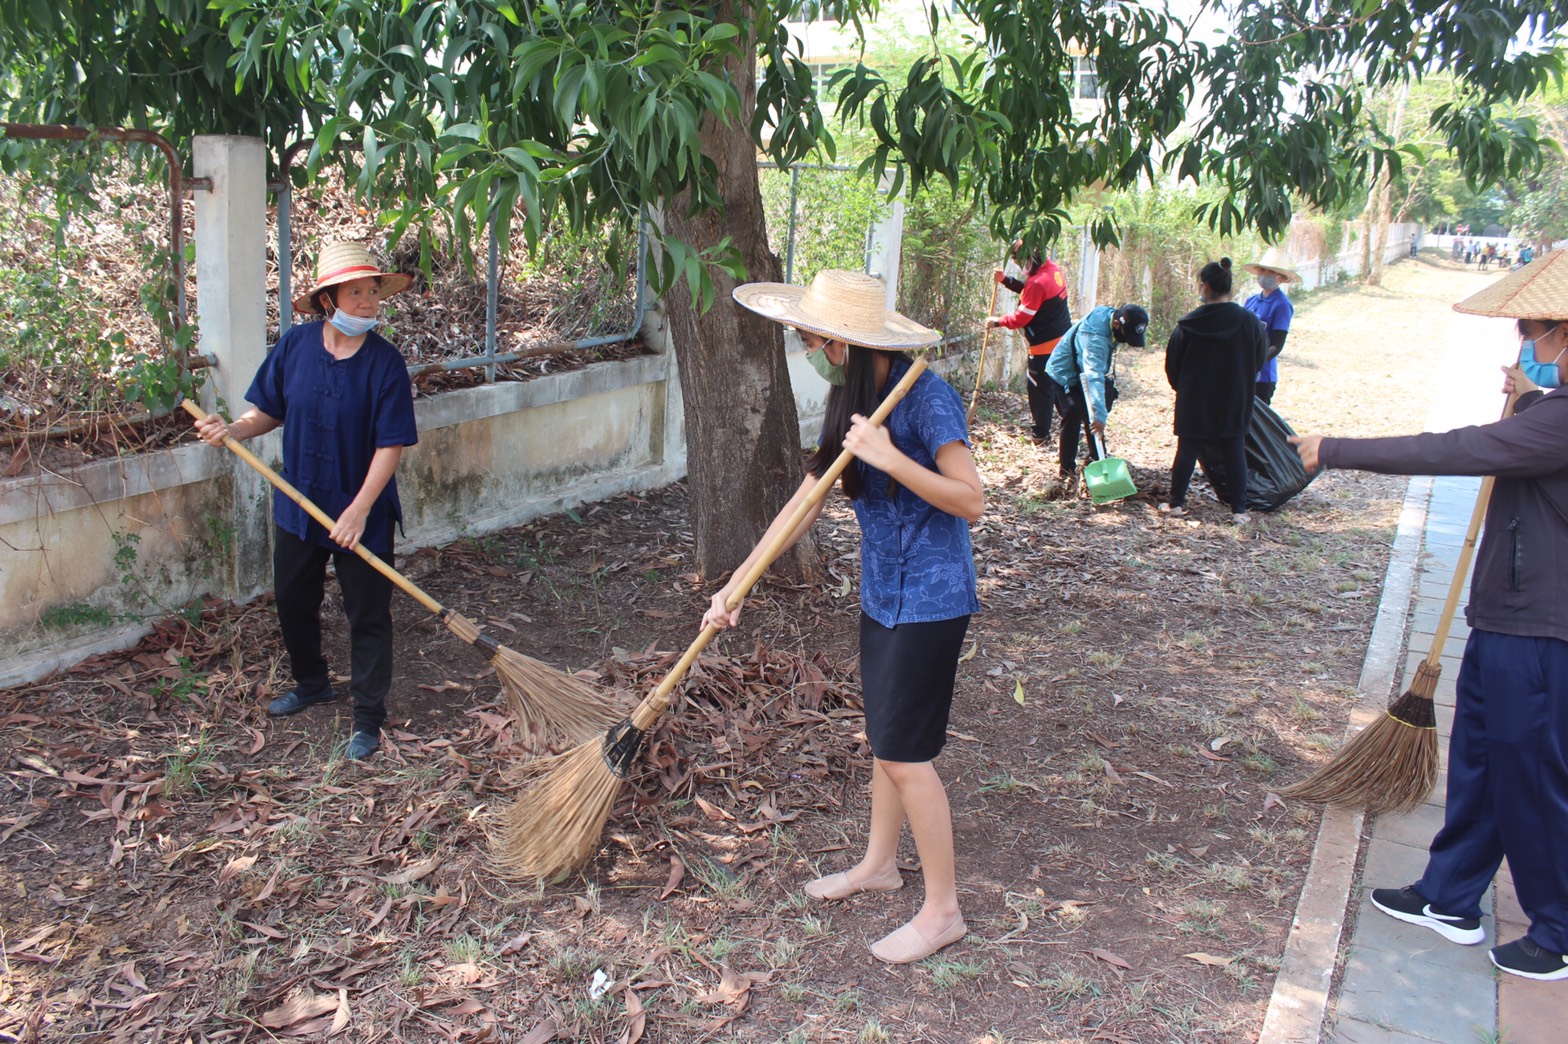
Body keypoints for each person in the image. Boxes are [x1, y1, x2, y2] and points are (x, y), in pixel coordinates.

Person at [1289, 256, 1568, 982]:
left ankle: (1559, 925)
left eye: (1531, 332)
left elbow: (1460, 449)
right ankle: (1449, 896)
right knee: (1482, 763)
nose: (1522, 345)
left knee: (1531, 775)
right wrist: (1536, 393)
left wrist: (1338, 448)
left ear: (1564, 333)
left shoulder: (1559, 423)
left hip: (1544, 631)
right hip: (1506, 617)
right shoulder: (1551, 409)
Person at [721, 269, 984, 965]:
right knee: (885, 741)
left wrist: (891, 459)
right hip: (882, 594)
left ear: (843, 342)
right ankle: (877, 865)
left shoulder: (927, 400)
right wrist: (738, 584)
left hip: (931, 601)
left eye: (811, 338)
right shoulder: (854, 398)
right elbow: (805, 500)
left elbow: (970, 500)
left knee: (905, 753)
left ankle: (943, 911)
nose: (808, 349)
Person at [193, 241, 418, 762]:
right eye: (355, 292)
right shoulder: (294, 347)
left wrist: (360, 510)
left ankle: (367, 717)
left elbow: (391, 446)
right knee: (294, 600)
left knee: (367, 612)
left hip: (361, 510)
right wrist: (232, 429)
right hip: (300, 501)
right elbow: (267, 412)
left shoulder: (385, 364)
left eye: (373, 292)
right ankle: (312, 682)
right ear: (327, 301)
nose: (368, 303)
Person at [1160, 259, 1268, 523]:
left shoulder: (1188, 324)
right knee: (1234, 448)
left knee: (1187, 448)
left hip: (1195, 398)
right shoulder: (1249, 321)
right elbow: (1259, 357)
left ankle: (1176, 504)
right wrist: (1242, 382)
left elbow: (1172, 364)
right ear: (1229, 287)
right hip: (1235, 397)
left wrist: (1183, 389)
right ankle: (1239, 511)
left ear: (1205, 286)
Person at [1044, 301, 1150, 486]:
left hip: (1082, 370)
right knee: (1074, 412)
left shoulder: (1110, 317)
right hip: (1064, 373)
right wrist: (1100, 415)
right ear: (1117, 324)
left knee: (1090, 412)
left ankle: (1097, 459)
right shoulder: (1095, 339)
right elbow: (1093, 376)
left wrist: (1098, 411)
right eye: (1127, 334)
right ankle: (1066, 470)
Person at [985, 242, 1072, 442]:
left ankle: (1040, 435)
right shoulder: (1052, 270)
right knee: (1059, 386)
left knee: (1040, 390)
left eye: (1018, 261)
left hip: (1044, 345)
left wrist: (997, 321)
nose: (1018, 266)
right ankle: (1073, 425)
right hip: (1062, 341)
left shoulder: (1038, 282)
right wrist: (1007, 281)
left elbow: (1021, 317)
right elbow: (1032, 294)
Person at [1241, 247, 1299, 405]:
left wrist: (1256, 364)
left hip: (1263, 376)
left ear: (1281, 278)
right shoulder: (1251, 301)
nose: (1264, 275)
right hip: (1242, 371)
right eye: (1263, 270)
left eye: (1270, 272)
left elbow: (1277, 344)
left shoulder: (1282, 304)